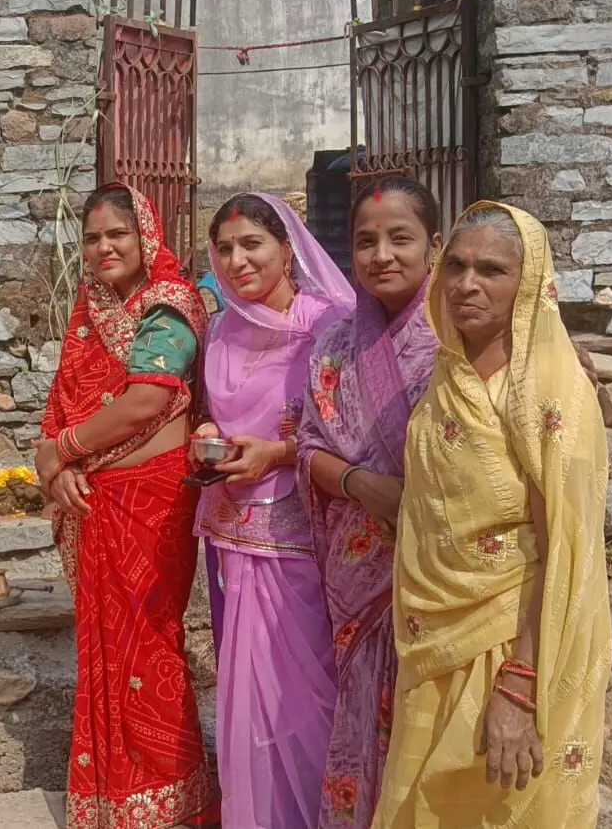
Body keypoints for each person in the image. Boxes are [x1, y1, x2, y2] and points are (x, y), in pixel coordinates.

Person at [374, 202, 611, 827]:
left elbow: (566, 545)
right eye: (454, 266)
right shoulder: (446, 374)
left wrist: (520, 683)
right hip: (434, 638)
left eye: (491, 270)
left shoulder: (549, 392)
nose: (466, 284)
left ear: (528, 283)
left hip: (510, 642)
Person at [33, 183, 217, 828]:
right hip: (95, 497)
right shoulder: (93, 308)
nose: (105, 246)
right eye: (92, 237)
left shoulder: (167, 306)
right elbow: (71, 398)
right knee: (105, 650)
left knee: (148, 645)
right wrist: (61, 471)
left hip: (150, 500)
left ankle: (169, 798)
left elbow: (145, 400)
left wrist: (63, 448)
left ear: (147, 235)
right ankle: (117, 799)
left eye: (119, 233)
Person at [192, 191, 355, 829]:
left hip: (303, 535)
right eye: (224, 249)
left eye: (251, 244)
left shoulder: (329, 323)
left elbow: (348, 432)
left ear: (287, 249)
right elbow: (221, 414)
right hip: (232, 532)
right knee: (246, 689)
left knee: (303, 690)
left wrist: (279, 453)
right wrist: (211, 436)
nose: (237, 261)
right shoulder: (221, 327)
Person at [295, 177, 442, 829]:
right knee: (364, 719)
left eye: (400, 237)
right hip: (360, 578)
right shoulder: (332, 345)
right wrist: (364, 485)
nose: (382, 253)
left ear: (435, 246)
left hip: (447, 578)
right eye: (365, 241)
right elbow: (307, 449)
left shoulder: (463, 342)